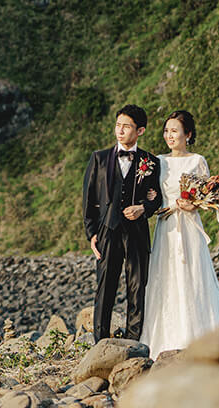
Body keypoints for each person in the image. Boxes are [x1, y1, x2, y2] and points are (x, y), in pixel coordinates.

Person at [140, 110, 219, 354]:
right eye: (166, 131)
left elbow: (206, 196)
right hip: (167, 226)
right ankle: (166, 339)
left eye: (174, 131)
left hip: (189, 226)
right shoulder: (158, 161)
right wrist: (153, 199)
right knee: (165, 276)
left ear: (188, 134)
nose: (169, 136)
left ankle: (197, 335)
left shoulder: (197, 160)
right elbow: (153, 194)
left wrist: (193, 204)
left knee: (193, 275)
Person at [82, 104, 162, 341]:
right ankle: (100, 342)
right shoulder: (99, 158)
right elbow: (89, 199)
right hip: (108, 229)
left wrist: (143, 208)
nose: (120, 130)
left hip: (137, 232)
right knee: (105, 288)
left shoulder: (151, 161)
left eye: (126, 126)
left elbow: (157, 197)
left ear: (140, 131)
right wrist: (91, 233)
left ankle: (133, 342)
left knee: (137, 288)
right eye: (118, 125)